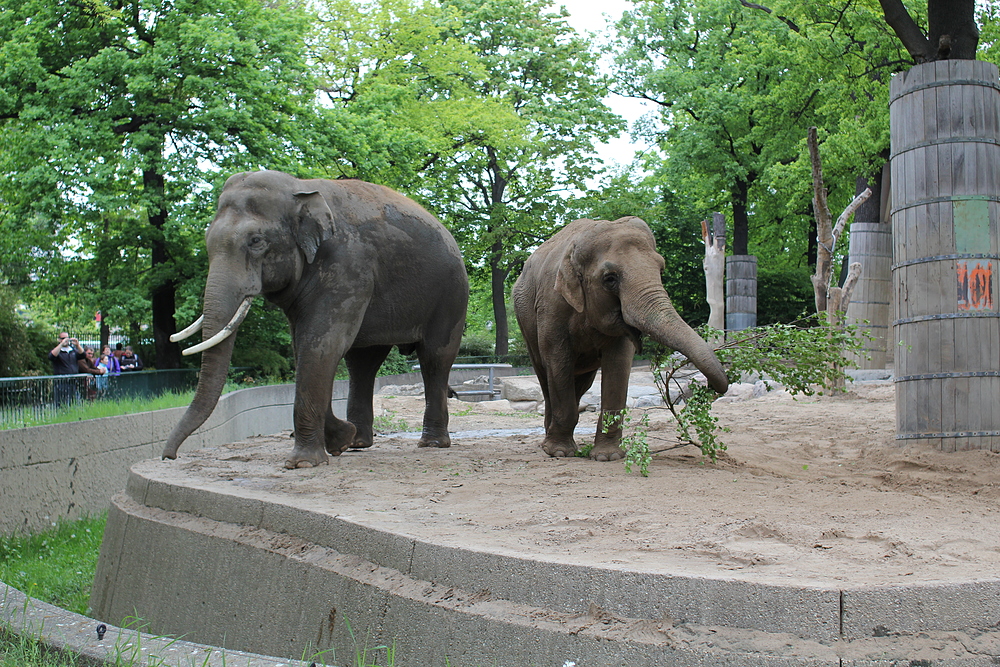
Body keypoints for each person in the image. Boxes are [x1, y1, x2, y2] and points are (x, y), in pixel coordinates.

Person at [48, 333, 83, 407]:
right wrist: (61, 344)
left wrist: (78, 345)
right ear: (59, 340)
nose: (66, 340)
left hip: (73, 381)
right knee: (61, 402)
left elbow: (83, 355)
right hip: (61, 381)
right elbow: (51, 356)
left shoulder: (72, 351)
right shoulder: (58, 351)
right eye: (63, 338)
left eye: (67, 338)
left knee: (74, 402)